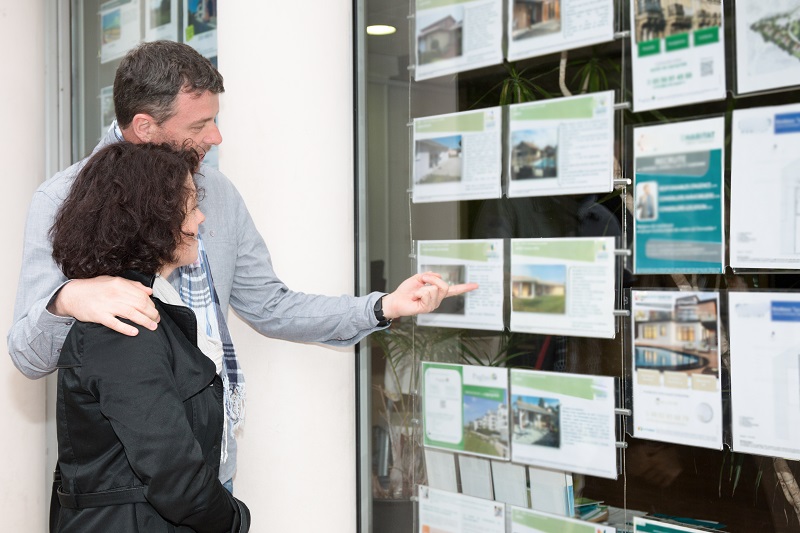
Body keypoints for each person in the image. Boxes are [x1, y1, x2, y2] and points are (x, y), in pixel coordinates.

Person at [8, 40, 476, 488]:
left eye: (214, 120)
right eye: (198, 127)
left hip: (212, 470)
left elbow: (271, 306)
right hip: (121, 488)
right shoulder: (62, 198)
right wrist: (66, 299)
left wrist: (382, 308)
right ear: (145, 127)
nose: (216, 136)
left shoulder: (219, 192)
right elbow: (28, 355)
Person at [50, 141, 249, 532]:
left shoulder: (148, 307)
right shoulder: (124, 328)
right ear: (151, 220)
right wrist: (237, 520)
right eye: (190, 207)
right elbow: (177, 480)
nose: (200, 219)